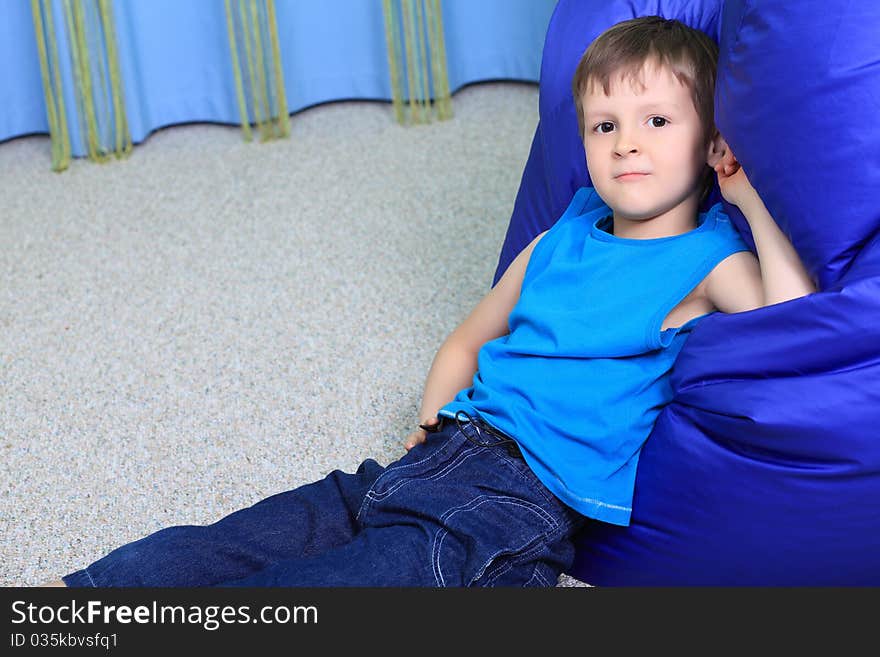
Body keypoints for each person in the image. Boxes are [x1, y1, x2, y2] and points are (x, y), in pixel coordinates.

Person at [43, 16, 816, 587]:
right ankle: (69, 606)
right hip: (443, 451)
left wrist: (749, 195)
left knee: (321, 593)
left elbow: (794, 325)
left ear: (709, 139)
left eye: (656, 122)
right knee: (241, 537)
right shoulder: (565, 234)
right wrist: (431, 420)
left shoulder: (711, 257)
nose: (626, 145)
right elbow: (466, 340)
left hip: (514, 502)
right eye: (604, 125)